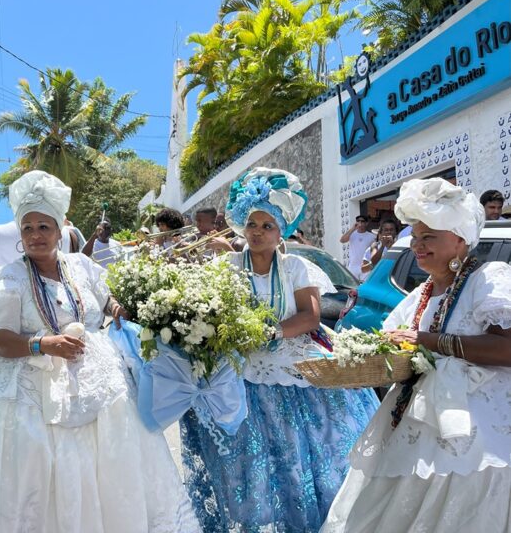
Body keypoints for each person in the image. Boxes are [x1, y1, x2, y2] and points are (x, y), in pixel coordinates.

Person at [0, 170, 201, 533]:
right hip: (31, 389)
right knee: (43, 468)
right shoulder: (9, 280)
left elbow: (105, 301)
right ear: (20, 237)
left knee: (109, 465)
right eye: (28, 228)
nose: (36, 235)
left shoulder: (82, 265)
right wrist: (41, 344)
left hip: (97, 379)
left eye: (44, 226)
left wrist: (117, 310)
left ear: (60, 231)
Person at [181, 168, 379, 533]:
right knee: (252, 461)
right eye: (252, 223)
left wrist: (271, 332)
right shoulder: (227, 266)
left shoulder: (295, 267)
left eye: (267, 225)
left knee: (307, 454)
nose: (257, 232)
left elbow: (311, 317)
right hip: (242, 371)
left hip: (294, 365)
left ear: (281, 231)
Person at [322, 179, 511, 533]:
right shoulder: (420, 293)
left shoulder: (490, 280)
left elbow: (506, 349)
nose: (418, 246)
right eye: (417, 236)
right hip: (415, 420)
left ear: (459, 239)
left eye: (429, 237)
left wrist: (431, 340)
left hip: (480, 430)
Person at [340, 214, 375, 279]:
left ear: (366, 223)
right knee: (353, 287)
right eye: (358, 221)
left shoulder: (372, 236)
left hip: (365, 267)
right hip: (353, 267)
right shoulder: (352, 234)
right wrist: (353, 228)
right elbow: (342, 240)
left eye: (362, 221)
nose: (360, 223)